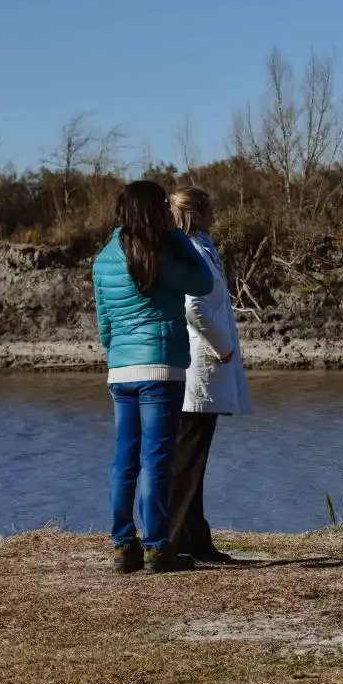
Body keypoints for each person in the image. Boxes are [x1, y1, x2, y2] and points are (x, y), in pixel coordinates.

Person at [93, 180, 214, 574]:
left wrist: (118, 355)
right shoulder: (162, 253)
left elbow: (105, 325)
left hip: (121, 369)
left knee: (123, 460)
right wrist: (178, 235)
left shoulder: (103, 259)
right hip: (161, 366)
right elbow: (203, 280)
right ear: (154, 210)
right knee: (157, 459)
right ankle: (159, 548)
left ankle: (122, 545)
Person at [166, 186, 252, 563]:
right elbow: (194, 308)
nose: (215, 214)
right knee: (188, 456)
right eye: (211, 208)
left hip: (209, 361)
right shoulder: (189, 251)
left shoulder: (202, 246)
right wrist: (223, 347)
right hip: (201, 362)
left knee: (194, 456)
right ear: (198, 212)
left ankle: (195, 538)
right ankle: (171, 541)